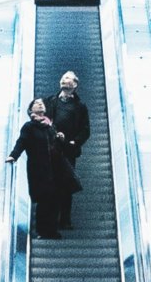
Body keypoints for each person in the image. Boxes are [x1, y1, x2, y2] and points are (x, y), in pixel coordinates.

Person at [7, 99, 74, 238]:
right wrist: (14, 155)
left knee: (55, 199)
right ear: (31, 110)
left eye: (42, 103)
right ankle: (42, 231)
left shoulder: (50, 126)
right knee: (44, 199)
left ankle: (52, 230)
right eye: (36, 103)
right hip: (38, 169)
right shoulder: (29, 127)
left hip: (55, 168)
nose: (40, 104)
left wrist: (61, 139)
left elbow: (57, 148)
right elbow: (22, 142)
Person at [47, 72, 92, 227]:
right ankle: (50, 220)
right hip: (50, 148)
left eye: (67, 78)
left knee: (66, 184)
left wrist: (74, 142)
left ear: (75, 84)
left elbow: (85, 130)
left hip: (68, 150)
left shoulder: (80, 106)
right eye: (62, 78)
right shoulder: (50, 101)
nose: (63, 80)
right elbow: (39, 118)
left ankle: (64, 220)